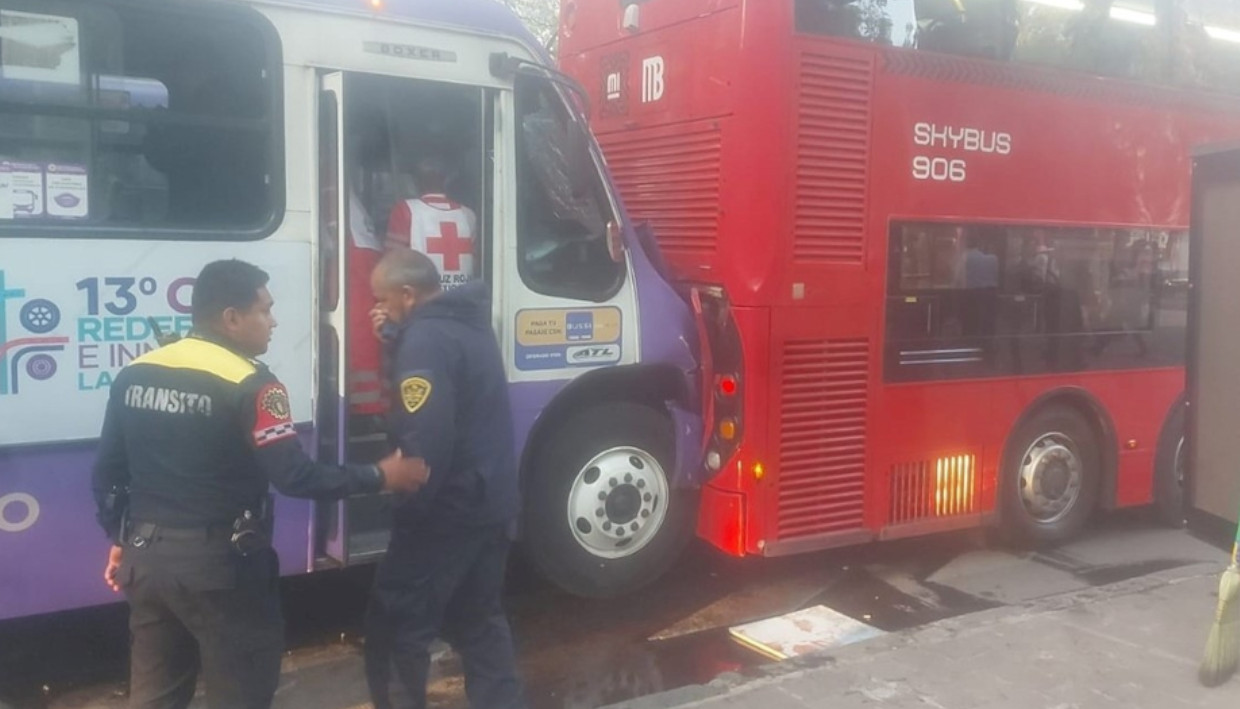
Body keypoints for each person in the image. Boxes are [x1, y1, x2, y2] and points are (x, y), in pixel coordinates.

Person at [91, 259, 428, 709]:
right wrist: (380, 475)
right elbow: (294, 475)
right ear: (232, 318)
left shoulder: (136, 372)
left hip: (145, 563)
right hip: (221, 573)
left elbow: (107, 473)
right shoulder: (252, 383)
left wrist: (120, 538)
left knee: (155, 697)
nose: (273, 321)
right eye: (264, 310)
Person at [364, 250, 525, 709]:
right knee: (479, 622)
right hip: (490, 501)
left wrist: (409, 509)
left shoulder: (426, 340)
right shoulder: (466, 322)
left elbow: (425, 435)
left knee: (395, 631)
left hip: (445, 512)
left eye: (383, 299)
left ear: (408, 294)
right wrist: (397, 339)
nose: (378, 308)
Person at [385, 157, 478, 290]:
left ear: (416, 182)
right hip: (461, 298)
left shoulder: (405, 210)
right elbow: (473, 261)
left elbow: (392, 262)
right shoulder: (468, 215)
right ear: (445, 181)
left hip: (422, 301)